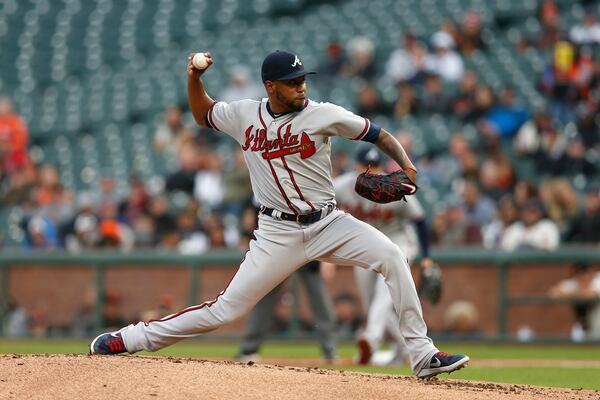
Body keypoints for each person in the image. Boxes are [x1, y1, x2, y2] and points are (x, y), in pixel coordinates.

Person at [90, 50, 468, 378]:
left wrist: (408, 167)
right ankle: (130, 338)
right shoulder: (243, 115)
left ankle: (423, 355)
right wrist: (193, 76)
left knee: (392, 256)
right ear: (271, 86)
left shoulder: (324, 114)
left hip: (328, 223)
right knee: (223, 311)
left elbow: (378, 134)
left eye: (303, 79)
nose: (301, 86)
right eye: (292, 81)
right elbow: (201, 112)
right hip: (276, 233)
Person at [326, 147, 436, 366]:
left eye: (375, 167)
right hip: (366, 241)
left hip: (399, 241)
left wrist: (426, 257)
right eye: (365, 166)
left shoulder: (392, 187)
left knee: (383, 293)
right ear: (355, 166)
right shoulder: (342, 187)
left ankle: (370, 338)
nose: (371, 171)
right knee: (373, 304)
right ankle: (404, 349)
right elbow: (322, 208)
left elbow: (420, 220)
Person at [235, 260, 336, 363]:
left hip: (310, 253)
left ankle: (330, 351)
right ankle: (248, 350)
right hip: (282, 248)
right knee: (266, 293)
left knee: (319, 298)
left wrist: (327, 260)